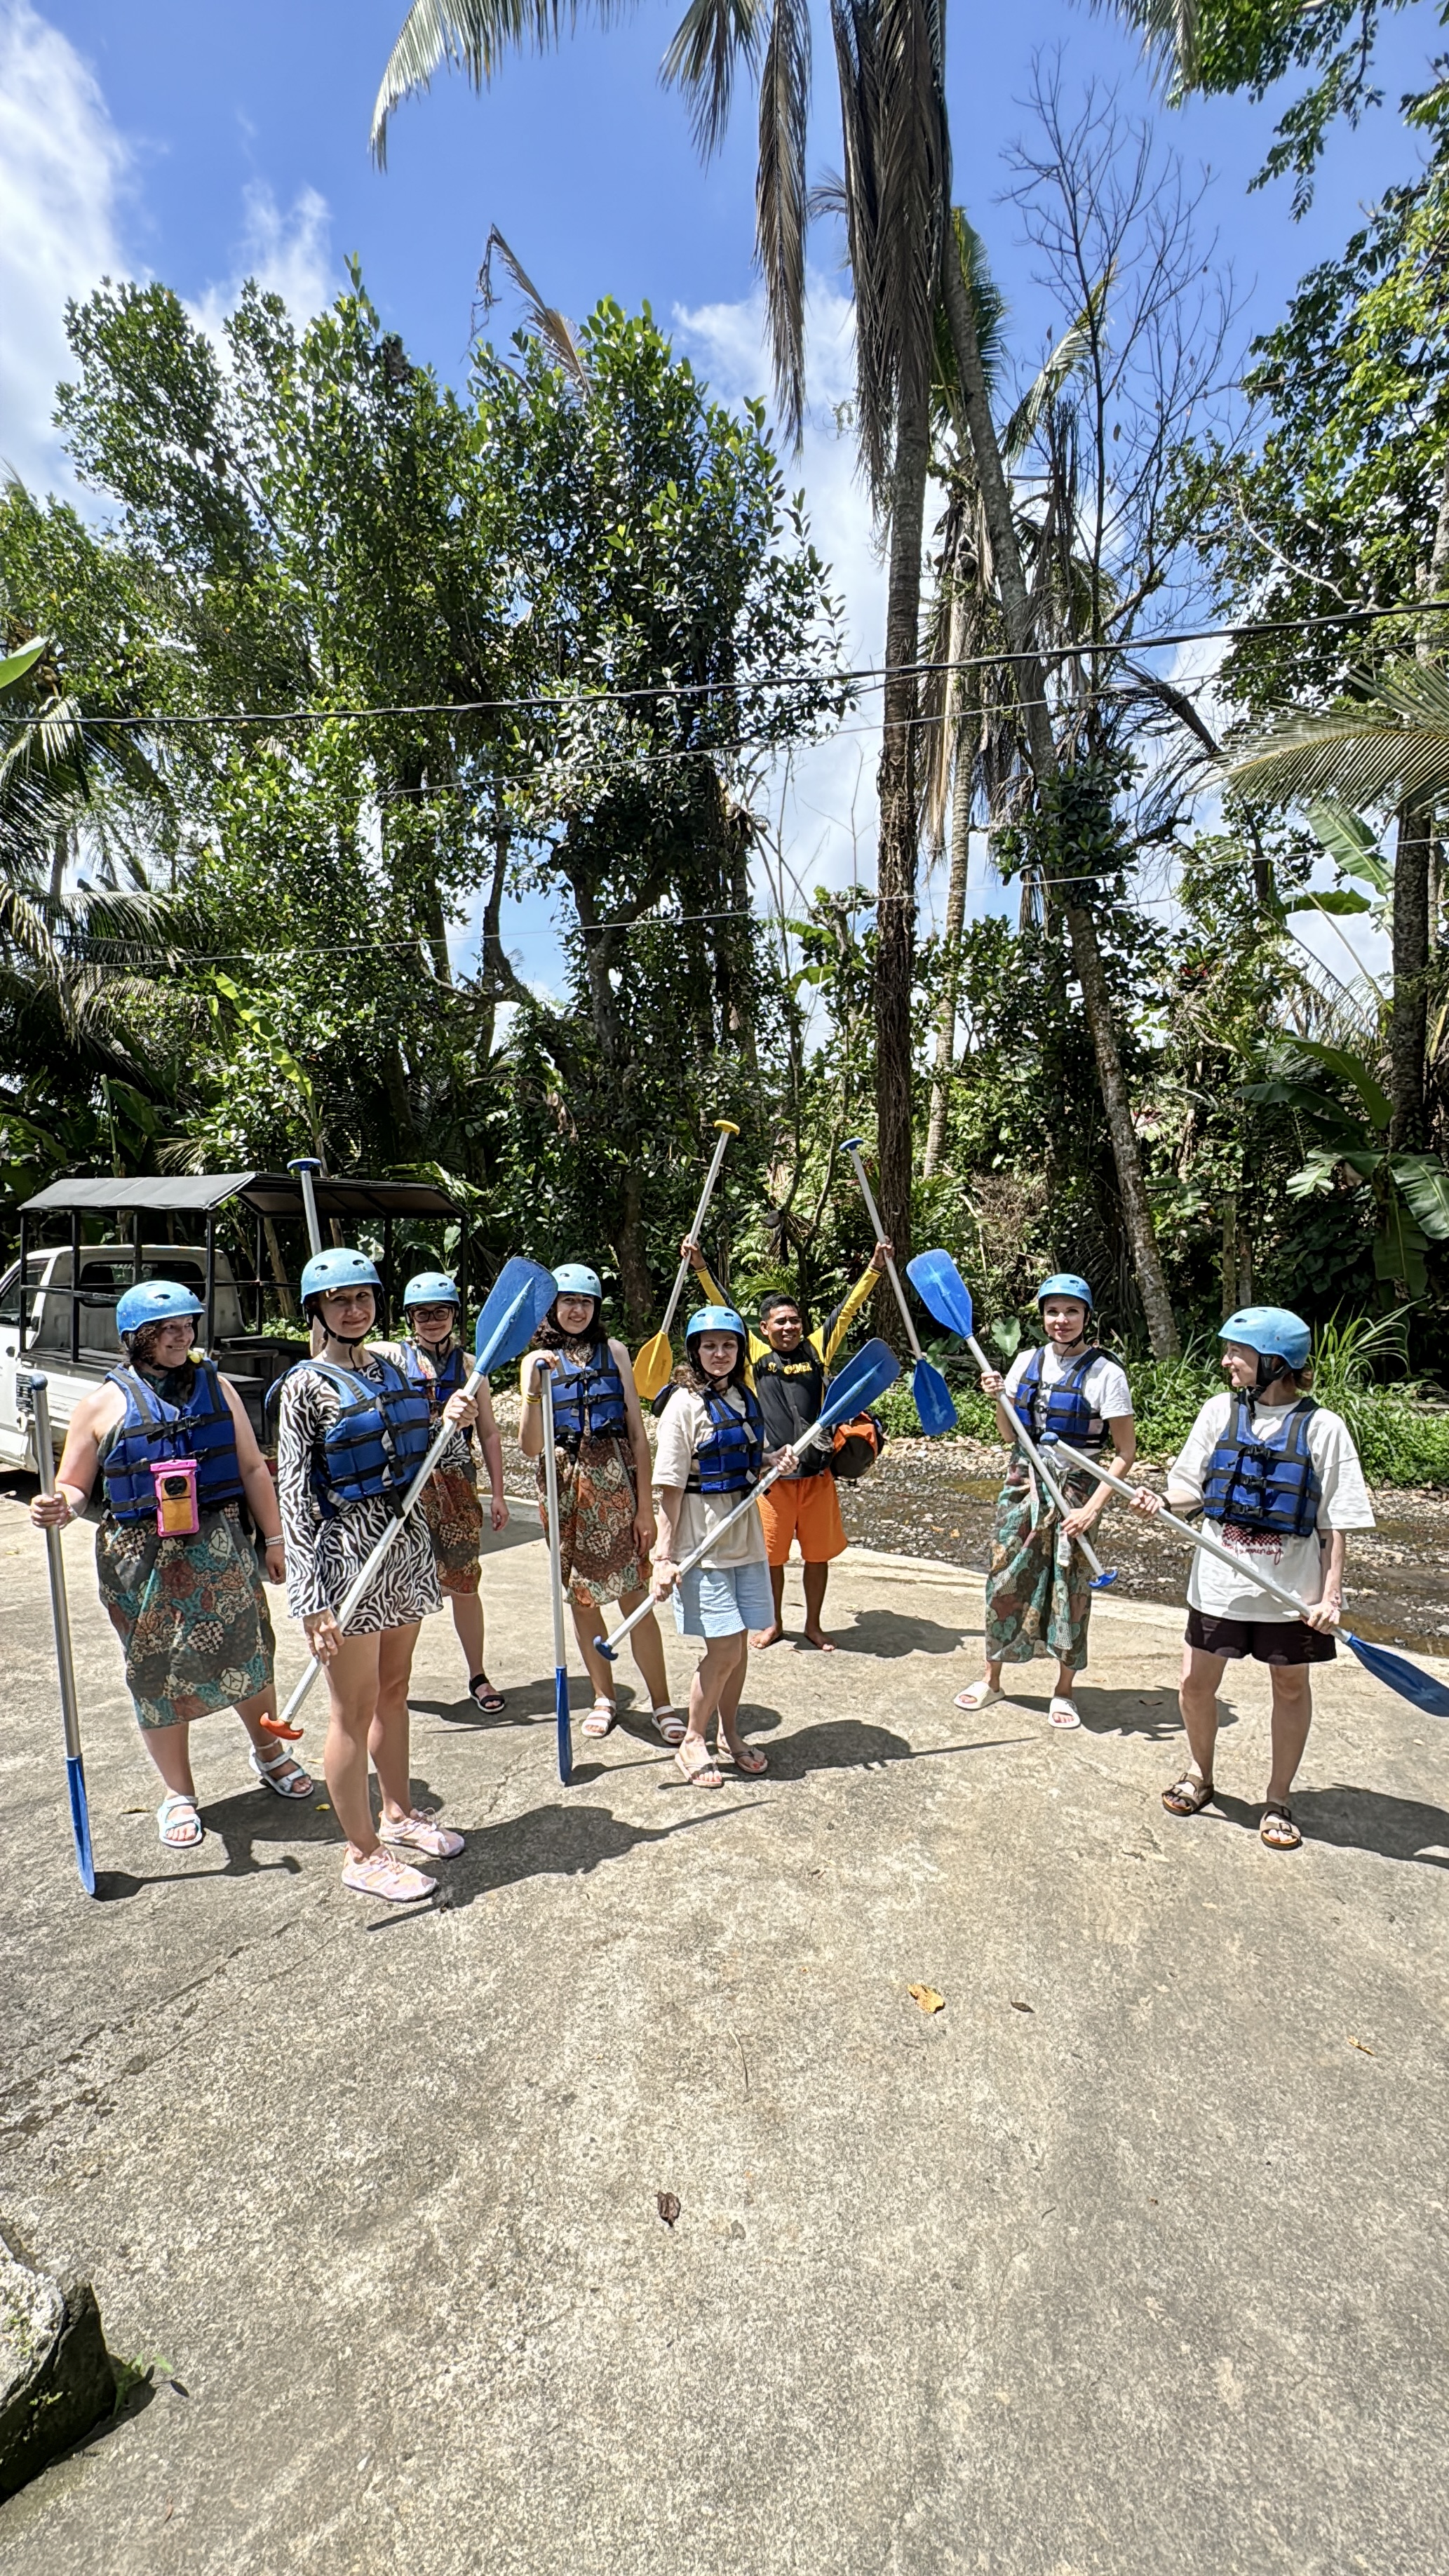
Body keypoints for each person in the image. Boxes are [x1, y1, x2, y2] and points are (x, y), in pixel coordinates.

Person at [28, 1277, 312, 1850]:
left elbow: (255, 1469)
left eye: (187, 1326)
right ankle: (179, 1792)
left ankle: (268, 1751)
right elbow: (77, 1488)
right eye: (168, 1331)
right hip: (139, 1559)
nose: (182, 1337)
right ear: (137, 1339)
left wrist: (276, 1539)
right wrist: (60, 1507)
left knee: (249, 1652)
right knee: (155, 1673)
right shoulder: (99, 1405)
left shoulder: (218, 1387)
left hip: (217, 1545)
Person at [1130, 1305, 1375, 1851]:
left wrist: (1331, 1595)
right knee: (1196, 1684)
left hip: (1291, 1592)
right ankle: (1200, 1774)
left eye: (1236, 1352)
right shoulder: (1219, 1412)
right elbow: (1191, 1488)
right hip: (1218, 1585)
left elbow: (1335, 1523)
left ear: (1276, 1361)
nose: (1226, 1361)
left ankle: (1279, 1796)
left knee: (1289, 1687)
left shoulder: (1324, 1428)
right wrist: (1161, 1500)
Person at [276, 1247, 474, 1904]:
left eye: (362, 1298)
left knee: (396, 1688)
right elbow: (297, 1498)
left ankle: (398, 1813)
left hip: (403, 1547)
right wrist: (311, 1599)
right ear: (317, 1311)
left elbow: (412, 1463)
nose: (354, 1310)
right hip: (345, 1556)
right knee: (351, 1710)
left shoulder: (393, 1369)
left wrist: (448, 1426)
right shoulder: (304, 1386)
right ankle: (361, 1853)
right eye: (339, 1301)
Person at [682, 1235, 892, 1649]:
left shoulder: (817, 1349)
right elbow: (723, 1305)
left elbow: (847, 1309)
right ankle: (774, 1623)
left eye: (794, 1321)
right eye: (780, 1322)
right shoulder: (752, 1353)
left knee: (818, 1556)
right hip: (773, 1479)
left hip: (817, 1476)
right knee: (772, 1559)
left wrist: (877, 1268)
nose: (789, 1327)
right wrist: (701, 1267)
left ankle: (813, 1624)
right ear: (763, 1328)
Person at [957, 1273, 1136, 1731]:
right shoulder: (1025, 1363)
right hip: (1025, 1480)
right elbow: (1007, 1434)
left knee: (1070, 1588)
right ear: (1042, 1318)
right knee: (1004, 1576)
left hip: (1078, 1488)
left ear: (1086, 1317)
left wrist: (1091, 1509)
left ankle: (1064, 1691)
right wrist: (1000, 1399)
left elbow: (1125, 1454)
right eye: (1053, 1312)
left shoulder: (1106, 1374)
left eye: (1071, 1311)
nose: (1062, 1320)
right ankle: (992, 1678)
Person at [518, 1264, 684, 1743]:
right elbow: (531, 1447)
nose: (576, 1310)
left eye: (585, 1302)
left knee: (635, 1595)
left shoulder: (615, 1352)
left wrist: (645, 1508)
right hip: (565, 1486)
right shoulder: (538, 1362)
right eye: (568, 1301)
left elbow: (637, 1434)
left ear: (595, 1309)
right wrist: (534, 1390)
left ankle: (662, 1701)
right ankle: (603, 1696)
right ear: (553, 1306)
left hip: (614, 1480)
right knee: (583, 1598)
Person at [652, 1306, 796, 1787]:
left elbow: (747, 1466)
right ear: (695, 1351)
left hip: (745, 1540)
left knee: (739, 1650)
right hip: (702, 1543)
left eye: (728, 1345)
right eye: (710, 1346)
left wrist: (773, 1461)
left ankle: (729, 1735)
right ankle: (693, 1740)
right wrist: (663, 1558)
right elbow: (670, 1487)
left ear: (739, 1351)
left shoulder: (742, 1398)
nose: (719, 1354)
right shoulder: (682, 1406)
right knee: (725, 1650)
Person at [389, 1270, 509, 1714]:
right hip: (410, 1483)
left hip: (456, 1482)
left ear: (454, 1315)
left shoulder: (471, 1366)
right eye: (422, 1314)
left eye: (441, 1312)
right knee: (404, 1584)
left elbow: (491, 1434)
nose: (432, 1320)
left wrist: (498, 1494)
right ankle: (393, 1681)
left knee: (464, 1583)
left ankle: (478, 1674)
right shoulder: (391, 1361)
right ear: (410, 1319)